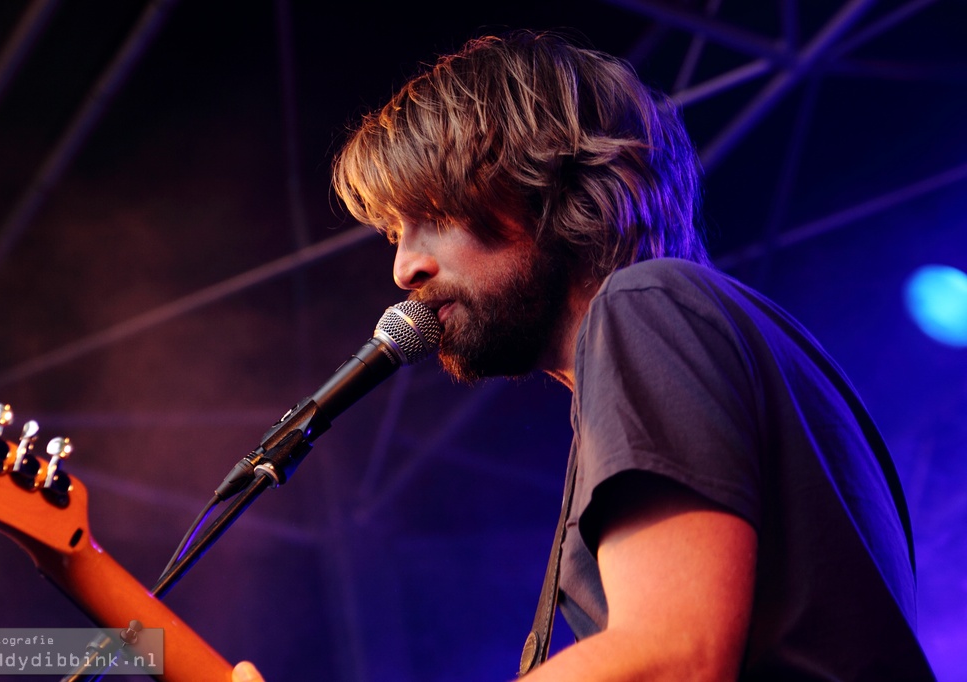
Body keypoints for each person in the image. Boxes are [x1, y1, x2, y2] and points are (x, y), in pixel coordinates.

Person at [239, 30, 934, 680]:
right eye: (394, 232)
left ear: (551, 187)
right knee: (129, 652)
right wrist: (128, 649)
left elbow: (672, 658)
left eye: (434, 213)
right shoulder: (702, 339)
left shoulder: (648, 303)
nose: (405, 268)